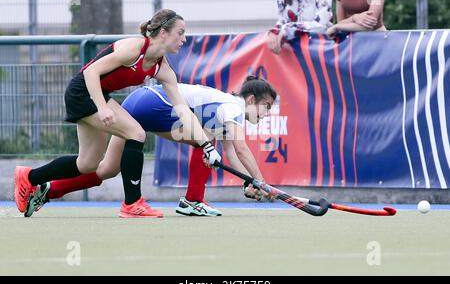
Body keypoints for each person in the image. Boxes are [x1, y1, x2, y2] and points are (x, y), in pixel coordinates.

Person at [14, 9, 221, 218]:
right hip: (83, 92)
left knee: (87, 164)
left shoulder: (163, 69)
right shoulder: (134, 48)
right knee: (136, 133)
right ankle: (132, 204)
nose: (184, 39)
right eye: (180, 32)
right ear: (164, 32)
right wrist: (102, 107)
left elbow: (182, 110)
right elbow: (90, 72)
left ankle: (29, 177)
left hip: (98, 94)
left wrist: (207, 146)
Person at [24, 76, 278, 218]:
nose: (266, 114)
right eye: (266, 106)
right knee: (206, 143)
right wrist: (261, 181)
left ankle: (46, 191)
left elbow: (231, 154)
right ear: (251, 99)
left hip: (140, 100)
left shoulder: (225, 111)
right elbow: (242, 149)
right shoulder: (233, 107)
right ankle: (193, 201)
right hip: (153, 102)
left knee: (106, 169)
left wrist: (249, 182)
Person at [267, 0, 333, 54]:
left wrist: (288, 29)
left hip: (318, 47)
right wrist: (274, 32)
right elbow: (282, 20)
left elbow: (322, 24)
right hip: (293, 49)